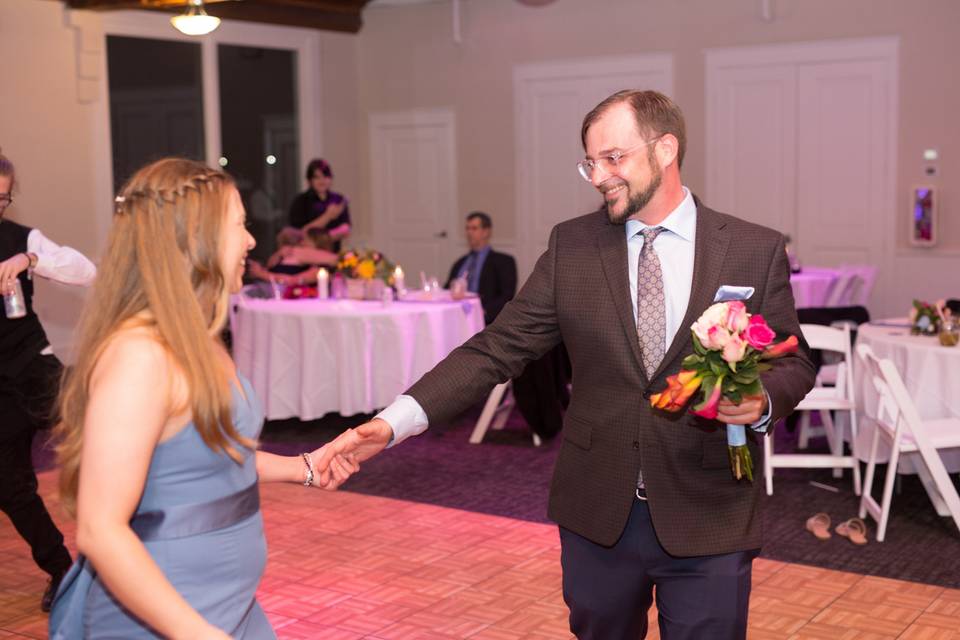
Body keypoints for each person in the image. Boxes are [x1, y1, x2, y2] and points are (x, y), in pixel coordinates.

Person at [318, 90, 816, 639]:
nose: (599, 176)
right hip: (598, 512)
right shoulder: (572, 247)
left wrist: (761, 401)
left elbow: (790, 357)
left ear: (666, 149)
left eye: (613, 158)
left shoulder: (751, 248)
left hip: (709, 507)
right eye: (590, 162)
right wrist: (391, 423)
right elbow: (495, 349)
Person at [49, 158, 357, 639]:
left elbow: (206, 458)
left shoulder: (201, 337)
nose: (252, 241)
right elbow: (100, 528)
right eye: (239, 225)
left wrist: (305, 468)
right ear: (195, 238)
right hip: (162, 617)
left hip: (232, 607)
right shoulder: (140, 355)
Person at [0, 152, 96, 612]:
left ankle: (135, 554)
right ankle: (62, 570)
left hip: (36, 372)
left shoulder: (21, 238)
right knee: (11, 487)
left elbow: (84, 270)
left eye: (2, 199)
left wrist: (31, 258)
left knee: (108, 446)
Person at [445, 211, 517, 326]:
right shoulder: (460, 263)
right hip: (454, 318)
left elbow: (507, 295)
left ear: (486, 232)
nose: (469, 232)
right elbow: (447, 289)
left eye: (474, 228)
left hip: (485, 320)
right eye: (467, 228)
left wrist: (483, 312)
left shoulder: (504, 261)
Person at [286, 158, 350, 253]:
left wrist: (322, 239)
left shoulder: (338, 199)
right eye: (317, 177)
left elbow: (345, 229)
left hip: (333, 252)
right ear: (310, 180)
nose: (322, 180)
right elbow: (301, 233)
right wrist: (328, 216)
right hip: (307, 255)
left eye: (325, 176)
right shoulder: (301, 201)